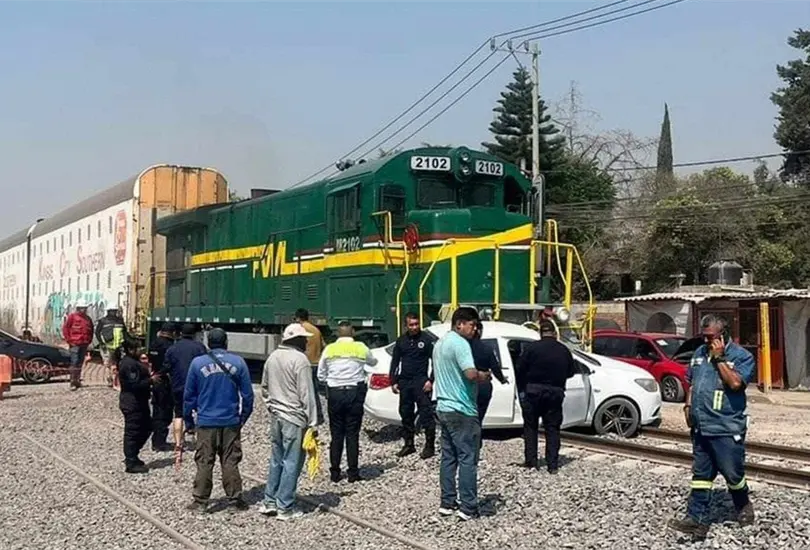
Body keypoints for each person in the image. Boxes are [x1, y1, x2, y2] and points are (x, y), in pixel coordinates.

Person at [668, 314, 756, 539]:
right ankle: (696, 520)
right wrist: (688, 407)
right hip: (701, 427)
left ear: (723, 335)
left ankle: (743, 504)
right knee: (701, 475)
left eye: (710, 337)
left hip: (726, 427)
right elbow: (692, 382)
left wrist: (718, 359)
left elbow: (735, 384)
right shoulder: (698, 354)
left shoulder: (741, 357)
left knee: (733, 474)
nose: (706, 341)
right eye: (703, 337)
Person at [183, 328, 255, 511]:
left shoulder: (197, 364)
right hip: (230, 420)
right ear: (226, 342)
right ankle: (234, 499)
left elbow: (189, 396)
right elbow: (248, 395)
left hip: (206, 421)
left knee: (204, 461)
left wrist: (189, 421)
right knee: (230, 460)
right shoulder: (238, 363)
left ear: (208, 342)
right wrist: (242, 418)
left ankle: (200, 501)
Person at [258, 323, 321, 520]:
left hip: (277, 416)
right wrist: (313, 421)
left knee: (276, 459)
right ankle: (285, 507)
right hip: (294, 418)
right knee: (292, 462)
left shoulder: (273, 357)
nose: (306, 341)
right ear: (296, 340)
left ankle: (269, 501)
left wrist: (272, 406)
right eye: (303, 338)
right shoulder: (300, 360)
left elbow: (264, 388)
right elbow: (306, 393)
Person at [433, 307, 491, 521]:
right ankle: (468, 506)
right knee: (468, 458)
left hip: (444, 407)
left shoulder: (440, 343)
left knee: (448, 458)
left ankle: (447, 502)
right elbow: (469, 373)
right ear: (459, 324)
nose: (475, 329)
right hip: (462, 409)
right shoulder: (461, 344)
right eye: (472, 325)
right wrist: (484, 376)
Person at [317, 321, 377, 483]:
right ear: (353, 332)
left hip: (335, 394)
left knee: (336, 435)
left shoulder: (330, 349)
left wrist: (332, 380)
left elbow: (320, 374)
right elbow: (373, 362)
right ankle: (353, 473)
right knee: (352, 434)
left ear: (337, 333)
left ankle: (335, 473)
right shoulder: (361, 347)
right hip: (354, 394)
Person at [516, 320, 576, 474]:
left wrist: (522, 389)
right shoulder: (564, 350)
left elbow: (520, 369)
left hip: (533, 392)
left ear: (541, 333)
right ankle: (553, 465)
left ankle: (531, 462)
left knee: (530, 427)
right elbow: (571, 372)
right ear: (554, 333)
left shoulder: (531, 348)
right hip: (555, 393)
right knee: (552, 428)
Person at [389, 312, 436, 459]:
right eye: (411, 325)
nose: (415, 327)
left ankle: (429, 446)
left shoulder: (426, 340)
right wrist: (393, 381)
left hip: (421, 382)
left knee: (426, 414)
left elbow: (436, 362)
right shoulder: (401, 341)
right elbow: (395, 362)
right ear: (406, 325)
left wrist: (431, 380)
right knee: (406, 413)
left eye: (416, 324)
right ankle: (409, 444)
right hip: (405, 382)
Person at [164, 323, 207, 463]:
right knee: (201, 412)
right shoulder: (200, 348)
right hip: (196, 387)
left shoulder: (172, 349)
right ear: (195, 334)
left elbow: (167, 367)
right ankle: (201, 443)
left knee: (178, 414)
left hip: (178, 385)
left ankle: (178, 445)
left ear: (180, 334)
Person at [118, 341, 161, 473]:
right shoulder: (129, 364)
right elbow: (134, 384)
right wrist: (150, 381)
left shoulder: (133, 362)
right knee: (133, 431)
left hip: (139, 401)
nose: (140, 350)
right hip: (132, 402)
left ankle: (133, 454)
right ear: (130, 350)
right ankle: (130, 461)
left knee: (148, 427)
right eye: (137, 348)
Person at [469, 320, 508, 427]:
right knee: (479, 417)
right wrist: (502, 380)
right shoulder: (486, 348)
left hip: (466, 384)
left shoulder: (463, 347)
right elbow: (495, 368)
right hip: (483, 385)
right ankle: (476, 440)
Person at [294, 308, 326, 425]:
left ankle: (310, 417)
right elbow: (323, 346)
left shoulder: (300, 329)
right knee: (314, 391)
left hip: (306, 364)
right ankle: (319, 415)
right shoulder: (316, 330)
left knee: (305, 392)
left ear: (298, 318)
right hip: (316, 363)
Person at [148, 322, 176, 451]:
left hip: (156, 379)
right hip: (165, 380)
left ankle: (156, 440)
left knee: (157, 410)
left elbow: (151, 360)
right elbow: (169, 365)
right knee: (165, 412)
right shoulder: (170, 346)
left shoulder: (154, 343)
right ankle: (160, 442)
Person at [95, 307, 134, 388]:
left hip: (118, 346)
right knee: (108, 364)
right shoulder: (103, 321)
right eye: (112, 311)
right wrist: (101, 343)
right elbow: (97, 333)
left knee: (117, 364)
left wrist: (131, 342)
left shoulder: (120, 321)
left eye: (114, 311)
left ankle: (115, 380)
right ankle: (110, 379)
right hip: (107, 346)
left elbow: (124, 333)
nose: (113, 312)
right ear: (108, 311)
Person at [61, 301, 94, 390]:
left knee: (80, 362)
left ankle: (77, 380)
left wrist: (89, 341)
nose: (84, 310)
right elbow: (65, 328)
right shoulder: (72, 317)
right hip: (74, 343)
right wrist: (69, 340)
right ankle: (73, 382)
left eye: (85, 308)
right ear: (78, 308)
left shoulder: (88, 319)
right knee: (74, 362)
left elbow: (91, 330)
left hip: (84, 343)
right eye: (83, 308)